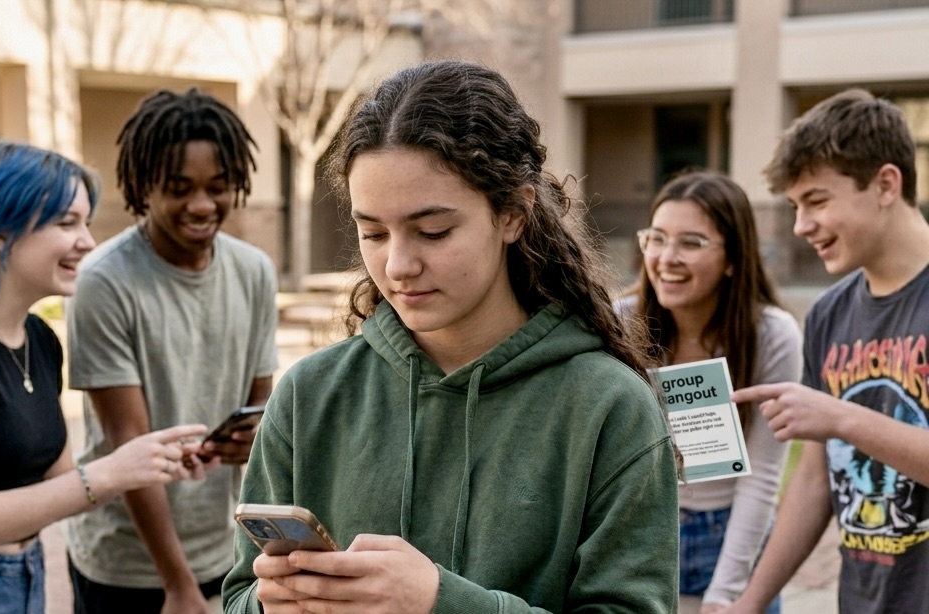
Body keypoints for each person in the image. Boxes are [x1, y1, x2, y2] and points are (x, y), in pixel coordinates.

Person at [222, 59, 679, 613]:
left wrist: (440, 603)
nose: (397, 265)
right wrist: (272, 604)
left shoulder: (611, 408)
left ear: (513, 214)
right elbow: (240, 595)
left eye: (432, 231)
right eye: (372, 232)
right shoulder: (308, 396)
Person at [0, 140, 208, 613]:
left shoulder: (40, 340)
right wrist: (111, 470)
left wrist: (152, 463)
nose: (87, 241)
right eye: (67, 223)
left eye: (85, 222)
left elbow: (65, 484)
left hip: (27, 577)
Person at [62, 87, 278, 613]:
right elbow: (127, 441)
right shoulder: (104, 282)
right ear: (143, 187)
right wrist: (177, 584)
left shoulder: (253, 272)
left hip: (224, 549)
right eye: (179, 188)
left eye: (219, 187)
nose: (203, 205)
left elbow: (261, 418)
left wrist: (253, 440)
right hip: (128, 564)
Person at [725, 89, 929, 614]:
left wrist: (840, 416)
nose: (800, 226)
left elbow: (838, 425)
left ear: (886, 184)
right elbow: (815, 481)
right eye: (795, 206)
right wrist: (749, 602)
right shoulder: (829, 313)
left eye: (816, 201)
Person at [622, 170, 802, 613]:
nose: (667, 257)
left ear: (733, 259)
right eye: (657, 238)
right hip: (643, 529)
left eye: (691, 243)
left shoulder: (771, 335)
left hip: (733, 535)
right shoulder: (621, 322)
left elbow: (761, 478)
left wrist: (725, 595)